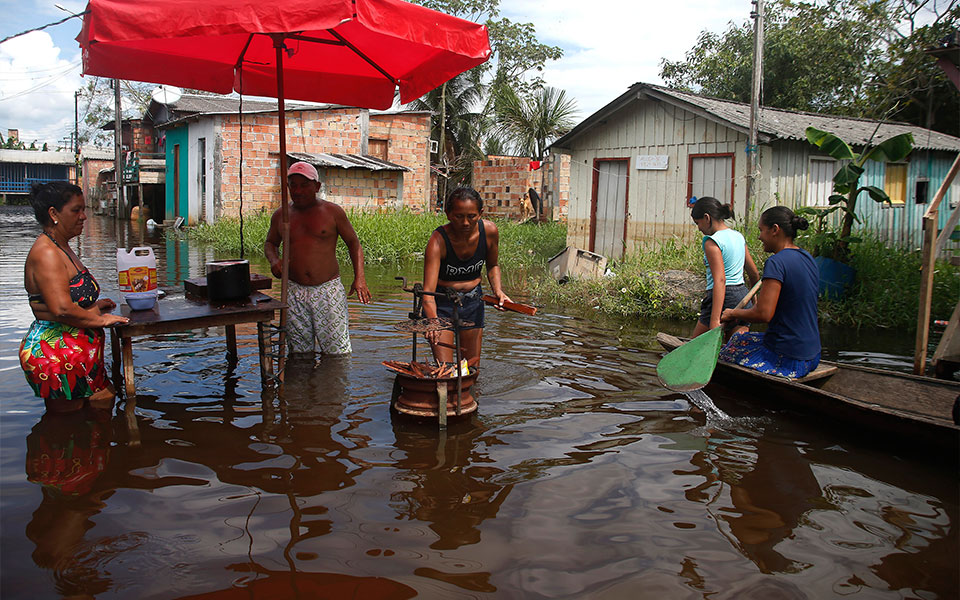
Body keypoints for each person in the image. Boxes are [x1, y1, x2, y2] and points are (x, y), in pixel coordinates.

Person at [20, 182, 129, 413]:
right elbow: (61, 309)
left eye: (84, 210)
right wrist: (102, 321)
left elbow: (64, 297)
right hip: (57, 355)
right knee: (63, 431)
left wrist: (94, 305)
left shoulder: (62, 246)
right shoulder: (46, 252)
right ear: (53, 214)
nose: (84, 217)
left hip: (78, 352)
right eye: (76, 210)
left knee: (99, 411)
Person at [264, 161, 371, 356]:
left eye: (304, 185)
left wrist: (360, 278)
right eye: (293, 185)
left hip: (327, 291)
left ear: (317, 187)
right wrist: (274, 262)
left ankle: (333, 386)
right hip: (294, 291)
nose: (298, 190)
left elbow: (354, 243)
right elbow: (270, 243)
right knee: (299, 354)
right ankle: (303, 386)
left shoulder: (332, 212)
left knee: (337, 353)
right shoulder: (281, 215)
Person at [719, 206, 821, 378]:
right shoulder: (807, 257)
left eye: (761, 230)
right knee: (738, 339)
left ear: (775, 230)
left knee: (726, 353)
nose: (759, 237)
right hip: (813, 355)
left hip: (789, 358)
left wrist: (733, 313)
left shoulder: (776, 262)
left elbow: (764, 314)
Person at [422, 187, 511, 366]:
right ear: (448, 214)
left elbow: (492, 265)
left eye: (471, 216)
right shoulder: (438, 241)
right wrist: (432, 321)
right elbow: (428, 293)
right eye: (458, 216)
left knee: (470, 369)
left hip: (473, 302)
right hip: (441, 303)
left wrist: (498, 291)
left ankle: (472, 394)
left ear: (480, 213)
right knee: (445, 371)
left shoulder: (490, 232)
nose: (465, 223)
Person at [690, 197, 759, 338]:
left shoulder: (712, 242)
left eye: (698, 223)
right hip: (742, 296)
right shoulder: (738, 236)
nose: (699, 228)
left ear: (707, 217)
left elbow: (720, 280)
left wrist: (714, 320)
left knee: (694, 346)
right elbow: (754, 273)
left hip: (722, 297)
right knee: (734, 348)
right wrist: (754, 300)